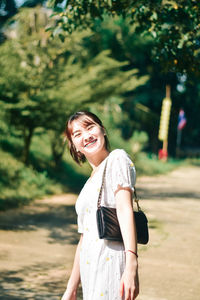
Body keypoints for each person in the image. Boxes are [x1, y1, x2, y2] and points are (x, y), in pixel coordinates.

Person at [61, 111, 139, 300]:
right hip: (90, 268)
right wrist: (71, 288)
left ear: (102, 130)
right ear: (75, 146)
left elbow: (124, 209)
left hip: (111, 263)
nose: (86, 136)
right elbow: (84, 238)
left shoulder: (117, 159)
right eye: (77, 134)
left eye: (90, 127)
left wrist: (131, 265)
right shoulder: (89, 182)